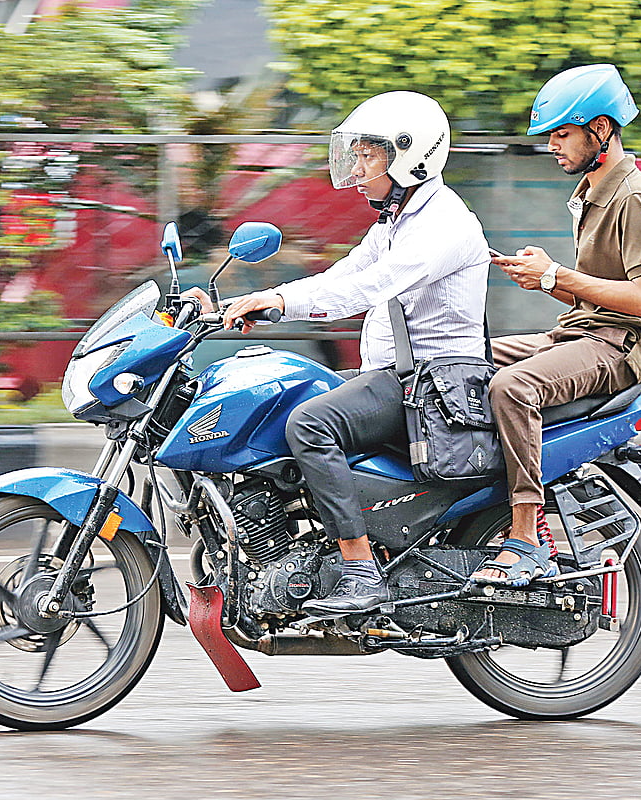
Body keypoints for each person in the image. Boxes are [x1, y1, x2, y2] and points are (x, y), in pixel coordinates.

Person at [187, 91, 491, 616]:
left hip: (432, 386)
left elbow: (368, 289)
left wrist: (279, 299)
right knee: (280, 395)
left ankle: (359, 568)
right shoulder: (398, 219)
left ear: (410, 155)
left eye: (368, 155)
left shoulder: (444, 225)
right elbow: (340, 276)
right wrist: (239, 303)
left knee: (308, 424)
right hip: (400, 378)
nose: (357, 167)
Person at [470, 64, 641, 587]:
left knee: (512, 388)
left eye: (563, 134)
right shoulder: (593, 191)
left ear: (602, 129)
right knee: (463, 359)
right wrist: (545, 280)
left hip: (622, 348)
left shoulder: (634, 198)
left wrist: (558, 275)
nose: (553, 146)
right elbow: (592, 290)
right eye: (552, 136)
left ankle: (524, 535)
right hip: (583, 332)